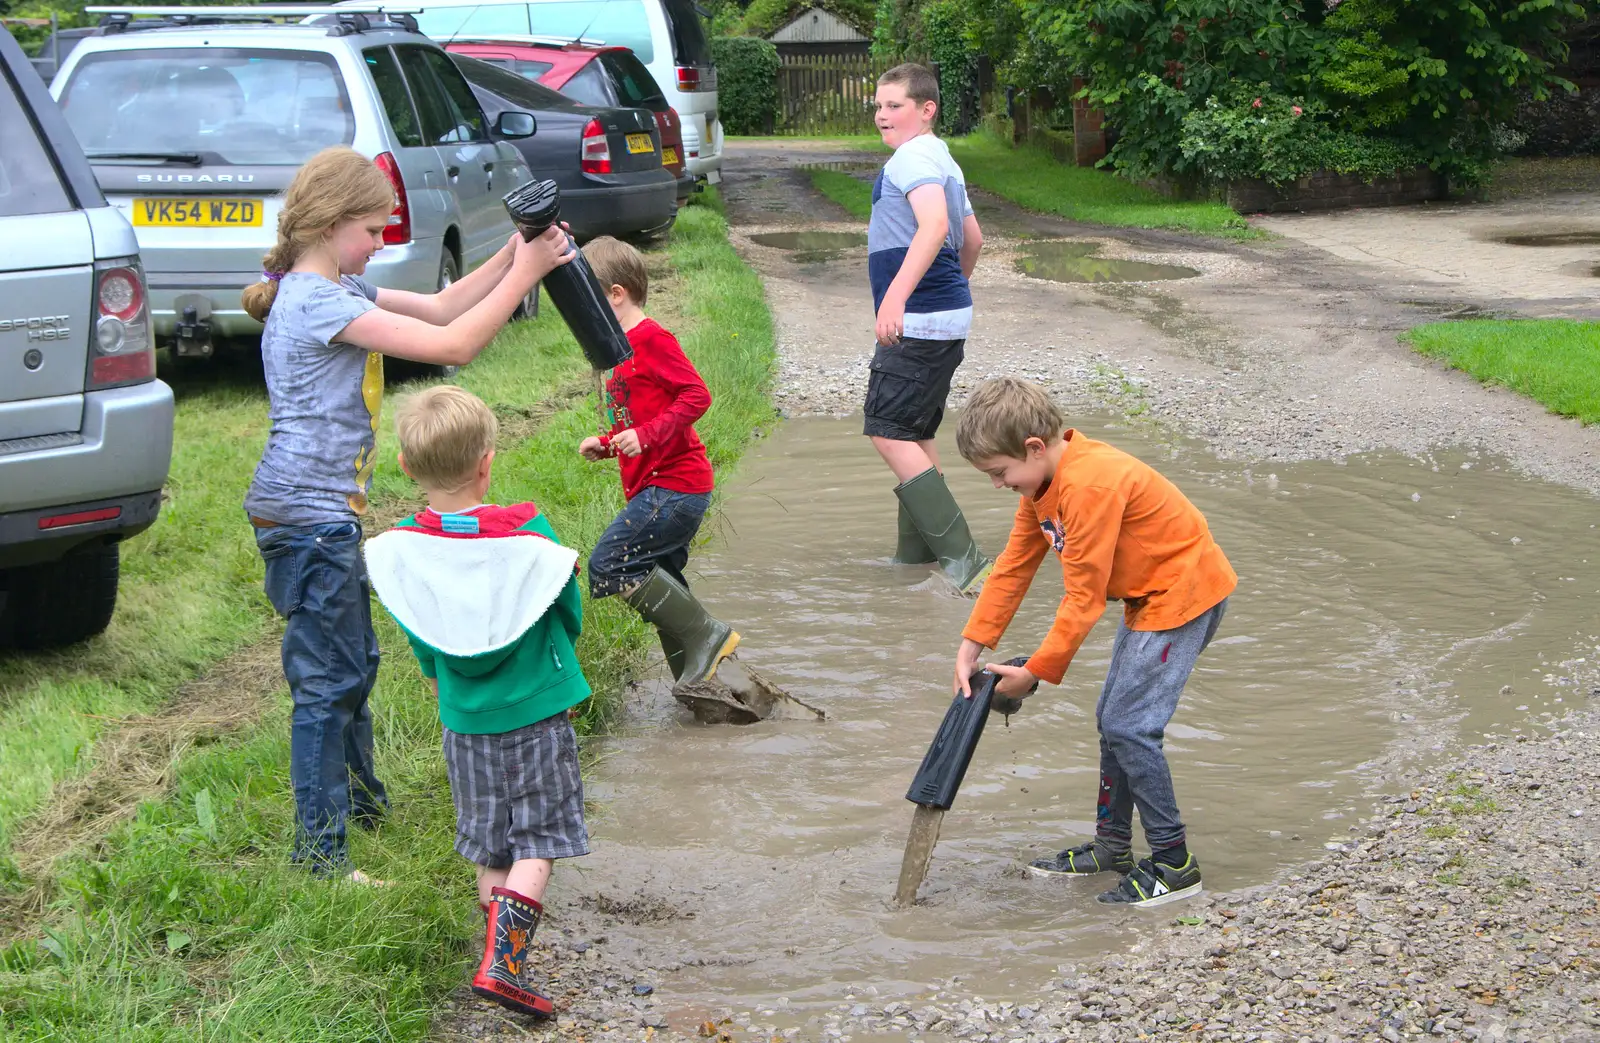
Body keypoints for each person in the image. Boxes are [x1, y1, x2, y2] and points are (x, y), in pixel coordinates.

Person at [240, 145, 573, 881]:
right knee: (328, 683)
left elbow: (444, 305)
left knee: (354, 664)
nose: (382, 242)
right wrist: (531, 272)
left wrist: (517, 251)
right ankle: (321, 855)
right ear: (330, 224)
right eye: (373, 228)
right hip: (307, 517)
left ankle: (361, 807)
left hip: (317, 515)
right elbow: (453, 344)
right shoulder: (319, 299)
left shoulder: (333, 286)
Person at [950, 378, 1237, 907]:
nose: (996, 484)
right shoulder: (1042, 487)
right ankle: (1113, 847)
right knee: (1113, 719)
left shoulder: (1090, 486)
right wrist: (973, 641)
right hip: (1146, 598)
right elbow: (1013, 566)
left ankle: (1175, 865)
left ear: (1034, 447)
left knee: (1130, 726)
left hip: (1184, 594)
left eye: (999, 473)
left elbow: (1082, 598)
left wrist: (1032, 671)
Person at [363, 386, 589, 1018]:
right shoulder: (529, 535)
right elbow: (564, 610)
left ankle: (497, 958)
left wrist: (441, 675)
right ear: (487, 462)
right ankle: (504, 966)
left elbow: (420, 628)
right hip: (536, 712)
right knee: (538, 837)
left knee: (491, 843)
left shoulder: (407, 548)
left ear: (406, 468)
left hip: (463, 720)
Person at [575, 236, 735, 687]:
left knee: (610, 564)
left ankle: (707, 636)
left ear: (616, 294)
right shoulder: (620, 351)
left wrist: (643, 436)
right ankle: (698, 683)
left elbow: (696, 395)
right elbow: (639, 418)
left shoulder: (651, 339)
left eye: (590, 303)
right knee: (664, 581)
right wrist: (609, 443)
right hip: (657, 486)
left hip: (676, 486)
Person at [866, 62, 988, 594]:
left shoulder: (913, 156)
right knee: (914, 433)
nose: (882, 115)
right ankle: (917, 560)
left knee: (887, 431)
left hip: (917, 318)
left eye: (894, 105)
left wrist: (898, 297)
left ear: (926, 109)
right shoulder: (942, 158)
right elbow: (974, 241)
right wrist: (949, 296)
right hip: (942, 315)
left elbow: (938, 226)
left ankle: (966, 562)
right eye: (878, 105)